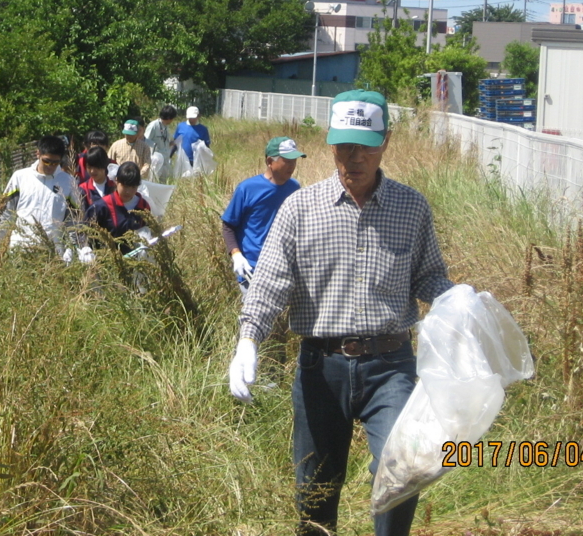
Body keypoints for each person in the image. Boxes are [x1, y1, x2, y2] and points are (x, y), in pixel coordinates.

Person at [228, 90, 453, 536]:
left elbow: (429, 277)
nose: (353, 157)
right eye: (344, 145)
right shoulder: (300, 208)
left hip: (390, 366)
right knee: (315, 488)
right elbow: (271, 281)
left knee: (402, 468)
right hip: (321, 366)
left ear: (385, 141)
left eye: (365, 145)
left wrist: (459, 302)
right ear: (331, 145)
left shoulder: (411, 209)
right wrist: (249, 337)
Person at [221, 136, 305, 295]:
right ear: (269, 162)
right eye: (286, 161)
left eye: (294, 161)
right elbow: (228, 225)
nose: (292, 166)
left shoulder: (295, 188)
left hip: (284, 268)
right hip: (253, 269)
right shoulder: (247, 189)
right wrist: (236, 255)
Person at [2, 135, 82, 257]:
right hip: (20, 249)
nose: (50, 166)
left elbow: (74, 220)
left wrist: (75, 248)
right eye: (46, 161)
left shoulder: (69, 182)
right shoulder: (20, 177)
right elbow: (6, 214)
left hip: (53, 252)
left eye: (55, 162)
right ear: (38, 154)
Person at [91, 161, 152, 252]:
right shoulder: (102, 206)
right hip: (107, 260)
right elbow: (84, 231)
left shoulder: (143, 206)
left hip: (136, 261)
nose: (128, 191)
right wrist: (86, 249)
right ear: (117, 181)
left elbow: (149, 229)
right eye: (125, 186)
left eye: (133, 187)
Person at [78, 145, 116, 215]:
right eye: (89, 167)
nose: (92, 171)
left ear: (104, 165)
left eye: (96, 167)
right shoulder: (83, 189)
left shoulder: (114, 186)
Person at [144, 105, 178, 181]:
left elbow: (164, 141)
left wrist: (172, 143)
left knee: (166, 181)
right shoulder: (153, 125)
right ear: (169, 118)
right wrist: (154, 147)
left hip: (165, 158)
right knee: (154, 180)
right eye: (172, 118)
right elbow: (145, 140)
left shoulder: (166, 127)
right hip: (156, 159)